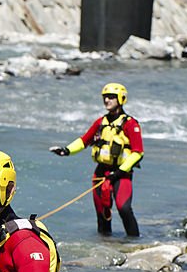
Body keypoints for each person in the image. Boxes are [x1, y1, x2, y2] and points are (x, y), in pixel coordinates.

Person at [49, 82, 144, 237]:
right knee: (102, 211)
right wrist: (66, 150)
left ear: (121, 99)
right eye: (105, 97)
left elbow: (138, 152)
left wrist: (120, 171)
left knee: (124, 208)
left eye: (111, 97)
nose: (107, 100)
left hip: (121, 174)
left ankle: (134, 243)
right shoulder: (100, 122)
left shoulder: (130, 124)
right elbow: (84, 141)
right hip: (101, 172)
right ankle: (104, 245)